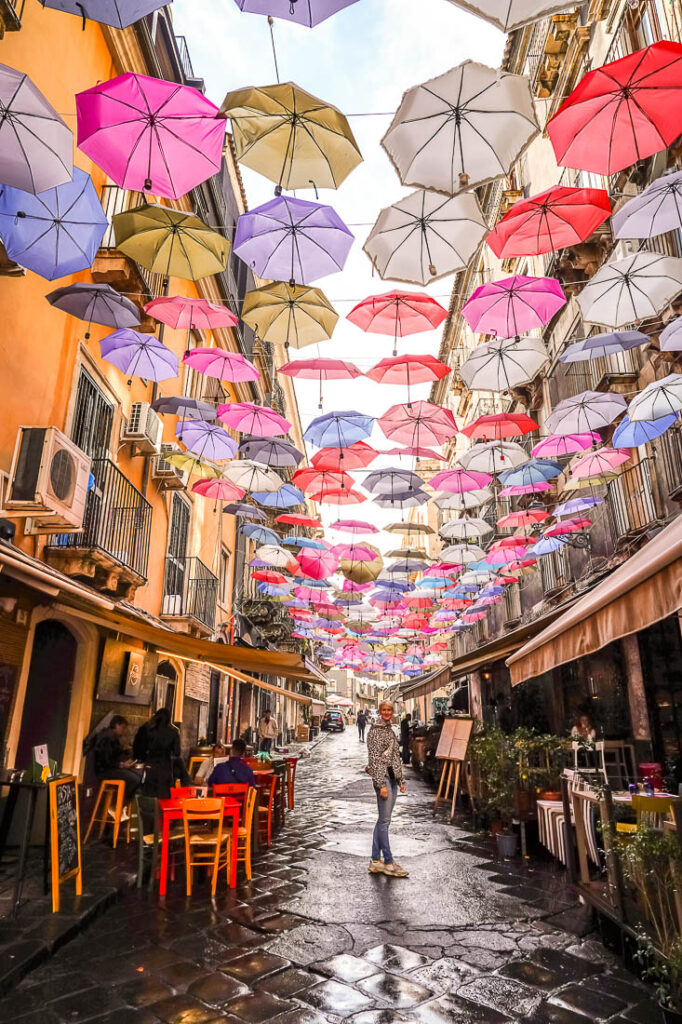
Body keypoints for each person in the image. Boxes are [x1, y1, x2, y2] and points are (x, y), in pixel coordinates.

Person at [366, 700, 408, 878]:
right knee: (384, 821)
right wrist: (381, 784)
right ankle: (389, 862)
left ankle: (376, 861)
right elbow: (375, 760)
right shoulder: (375, 731)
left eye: (389, 710)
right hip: (383, 779)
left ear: (392, 711)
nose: (387, 712)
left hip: (391, 778)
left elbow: (394, 757)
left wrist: (400, 780)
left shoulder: (390, 729)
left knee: (383, 820)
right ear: (379, 711)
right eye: (383, 709)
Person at [136, 707, 187, 798]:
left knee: (149, 791)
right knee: (164, 792)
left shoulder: (148, 731)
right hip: (165, 765)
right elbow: (177, 752)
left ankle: (150, 805)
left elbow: (141, 749)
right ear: (169, 718)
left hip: (150, 764)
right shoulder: (174, 732)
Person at [93, 715, 142, 802]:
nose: (124, 730)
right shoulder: (107, 738)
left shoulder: (111, 736)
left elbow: (115, 754)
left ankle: (123, 804)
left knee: (138, 775)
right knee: (136, 779)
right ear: (116, 725)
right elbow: (106, 761)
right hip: (104, 770)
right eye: (123, 727)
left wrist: (126, 760)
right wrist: (122, 764)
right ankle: (122, 804)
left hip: (110, 768)